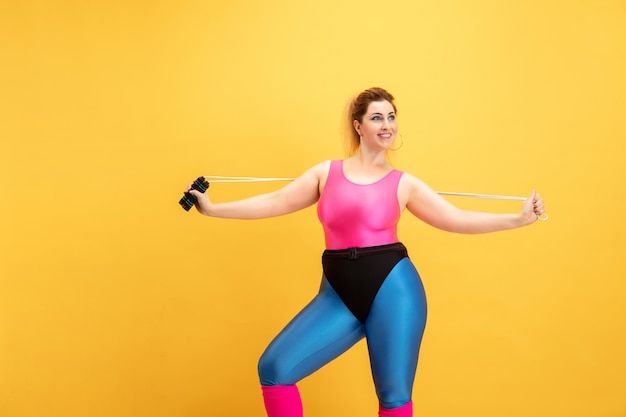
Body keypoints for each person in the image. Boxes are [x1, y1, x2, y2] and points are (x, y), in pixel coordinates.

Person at [184, 87, 545, 417]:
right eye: (377, 117)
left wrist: (518, 219)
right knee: (275, 369)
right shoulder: (326, 173)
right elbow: (274, 201)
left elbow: (456, 218)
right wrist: (214, 208)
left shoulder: (404, 183)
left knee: (393, 395)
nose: (386, 125)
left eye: (391, 117)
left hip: (393, 289)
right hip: (337, 292)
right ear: (358, 126)